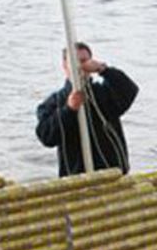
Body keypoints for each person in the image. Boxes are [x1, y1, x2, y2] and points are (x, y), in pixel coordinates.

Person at [36, 42, 139, 177]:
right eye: (74, 62)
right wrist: (69, 109)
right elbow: (46, 136)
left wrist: (104, 70)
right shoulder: (54, 102)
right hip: (76, 176)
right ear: (65, 66)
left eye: (83, 61)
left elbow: (129, 90)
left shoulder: (104, 93)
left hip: (112, 171)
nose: (79, 66)